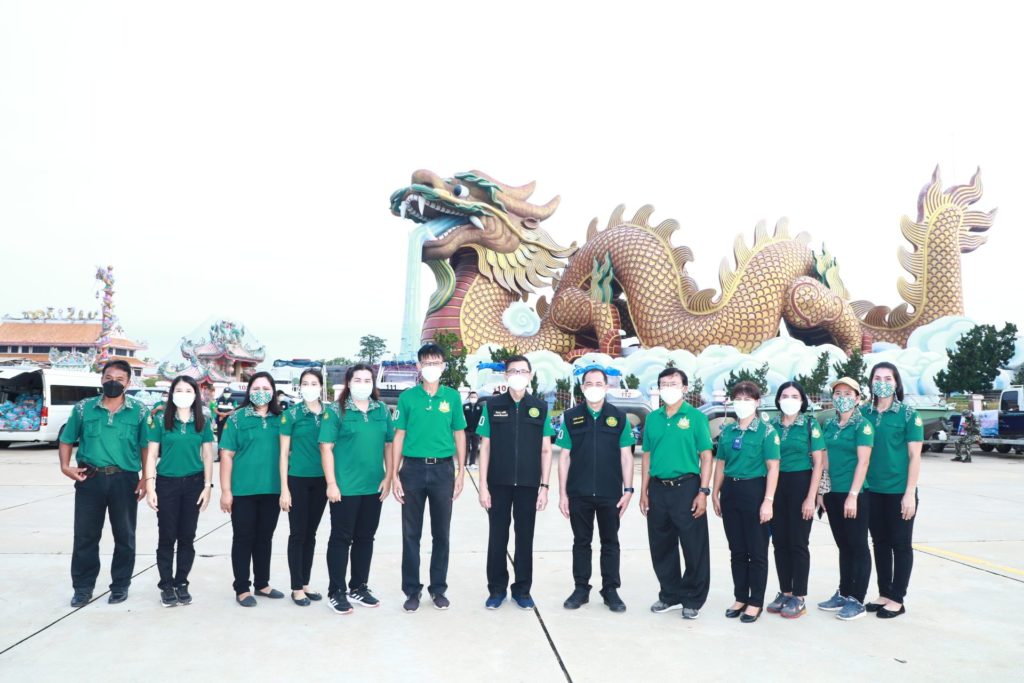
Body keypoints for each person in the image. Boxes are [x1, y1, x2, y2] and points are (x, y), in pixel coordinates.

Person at [59, 359, 150, 607]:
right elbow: (67, 438)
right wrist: (66, 466)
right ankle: (82, 588)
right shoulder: (83, 408)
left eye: (120, 380)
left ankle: (120, 586)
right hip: (90, 478)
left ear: (128, 383)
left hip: (125, 480)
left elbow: (146, 446)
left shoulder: (140, 411)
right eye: (109, 378)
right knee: (85, 536)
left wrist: (145, 478)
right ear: (101, 380)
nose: (113, 383)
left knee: (125, 536)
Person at [391, 343, 467, 612]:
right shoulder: (407, 398)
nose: (431, 367)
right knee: (411, 534)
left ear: (443, 366)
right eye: (426, 363)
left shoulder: (452, 397)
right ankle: (412, 590)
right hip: (412, 470)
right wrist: (394, 475)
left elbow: (459, 433)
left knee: (441, 534)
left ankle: (438, 589)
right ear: (419, 366)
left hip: (443, 470)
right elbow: (399, 436)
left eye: (436, 363)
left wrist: (461, 471)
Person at [477, 355, 554, 610]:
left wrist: (544, 487)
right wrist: (483, 486)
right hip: (498, 484)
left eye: (523, 371)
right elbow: (485, 447)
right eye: (513, 371)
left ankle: (522, 590)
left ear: (530, 375)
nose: (518, 375)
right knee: (497, 539)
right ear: (506, 375)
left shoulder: (540, 408)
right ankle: (496, 589)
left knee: (525, 539)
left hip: (529, 486)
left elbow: (546, 450)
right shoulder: (492, 406)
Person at [556, 366, 636, 613]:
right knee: (581, 542)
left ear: (606, 386)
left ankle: (610, 590)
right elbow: (564, 457)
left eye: (598, 383)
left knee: (610, 542)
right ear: (582, 388)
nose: (594, 388)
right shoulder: (570, 417)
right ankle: (581, 589)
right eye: (589, 384)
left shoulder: (619, 417)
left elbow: (626, 456)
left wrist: (628, 490)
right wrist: (562, 494)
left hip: (610, 492)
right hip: (578, 492)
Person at [318, 363, 395, 614]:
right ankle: (336, 591)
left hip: (373, 486)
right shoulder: (336, 411)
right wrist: (331, 483)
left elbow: (389, 445)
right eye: (357, 380)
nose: (363, 384)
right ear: (349, 383)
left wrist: (389, 476)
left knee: (365, 538)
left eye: (367, 380)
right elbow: (326, 447)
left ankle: (359, 587)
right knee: (341, 539)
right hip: (345, 488)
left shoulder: (381, 410)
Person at [640, 368, 713, 620]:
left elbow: (706, 456)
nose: (668, 388)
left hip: (687, 487)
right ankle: (669, 594)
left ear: (684, 388)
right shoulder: (653, 418)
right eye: (663, 384)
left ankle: (692, 598)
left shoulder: (696, 417)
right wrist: (644, 491)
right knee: (661, 544)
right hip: (658, 488)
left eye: (673, 383)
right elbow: (647, 455)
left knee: (693, 546)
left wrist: (703, 491)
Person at [711, 380, 779, 623]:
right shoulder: (728, 431)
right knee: (737, 549)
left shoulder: (767, 432)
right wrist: (715, 492)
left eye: (747, 399)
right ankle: (740, 597)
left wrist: (768, 501)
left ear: (757, 402)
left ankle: (755, 601)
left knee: (757, 550)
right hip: (731, 490)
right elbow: (721, 463)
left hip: (755, 490)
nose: (742, 403)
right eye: (738, 399)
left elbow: (773, 467)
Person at [144, 375, 215, 607]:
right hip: (167, 484)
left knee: (187, 536)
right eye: (179, 390)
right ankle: (166, 585)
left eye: (188, 390)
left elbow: (207, 455)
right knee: (167, 536)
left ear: (195, 394)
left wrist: (207, 486)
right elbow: (152, 455)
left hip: (194, 484)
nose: (183, 394)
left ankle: (181, 582)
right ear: (172, 393)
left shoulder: (203, 421)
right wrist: (150, 485)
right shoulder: (160, 420)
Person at [862, 362, 923, 619]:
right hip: (871, 490)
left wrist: (910, 493)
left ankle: (898, 598)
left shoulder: (908, 415)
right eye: (877, 378)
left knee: (901, 544)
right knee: (880, 543)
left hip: (899, 490)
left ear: (896, 383)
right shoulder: (863, 413)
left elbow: (915, 456)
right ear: (871, 382)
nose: (882, 383)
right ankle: (884, 593)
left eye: (888, 378)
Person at [219, 372, 285, 607]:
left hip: (272, 489)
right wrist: (226, 490)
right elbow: (226, 455)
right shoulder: (237, 419)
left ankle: (262, 583)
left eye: (266, 388)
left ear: (273, 391)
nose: (261, 392)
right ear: (249, 391)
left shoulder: (281, 419)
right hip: (243, 490)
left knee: (265, 538)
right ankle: (242, 588)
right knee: (243, 538)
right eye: (256, 388)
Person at [764, 381, 825, 619]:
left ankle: (799, 596)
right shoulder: (771, 427)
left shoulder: (809, 425)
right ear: (778, 399)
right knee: (780, 542)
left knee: (798, 542)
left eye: (795, 396)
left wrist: (811, 497)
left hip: (801, 485)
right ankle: (785, 591)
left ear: (802, 400)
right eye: (785, 395)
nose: (789, 400)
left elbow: (818, 463)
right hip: (776, 486)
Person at [817, 377, 874, 621]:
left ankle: (857, 599)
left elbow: (863, 462)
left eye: (848, 393)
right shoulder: (830, 424)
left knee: (858, 546)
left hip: (855, 494)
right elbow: (825, 459)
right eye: (838, 393)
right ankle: (844, 591)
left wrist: (852, 495)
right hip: (833, 493)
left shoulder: (863, 426)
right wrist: (822, 490)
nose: (842, 398)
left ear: (858, 398)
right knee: (844, 545)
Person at [279, 369, 328, 606]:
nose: (310, 387)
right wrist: (284, 488)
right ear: (300, 387)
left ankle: (305, 583)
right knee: (298, 533)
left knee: (311, 534)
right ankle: (296, 587)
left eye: (314, 383)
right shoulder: (291, 414)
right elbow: (283, 454)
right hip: (297, 479)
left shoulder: (330, 413)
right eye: (305, 383)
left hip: (322, 480)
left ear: (321, 386)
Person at [463, 391, 483, 470]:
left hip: (476, 430)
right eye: (472, 397)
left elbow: (482, 419)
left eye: (474, 397)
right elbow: (461, 417)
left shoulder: (480, 407)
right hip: (466, 430)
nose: (473, 398)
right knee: (465, 447)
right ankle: (464, 464)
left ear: (477, 398)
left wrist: (480, 429)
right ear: (469, 398)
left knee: (475, 447)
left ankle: (472, 463)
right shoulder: (465, 406)